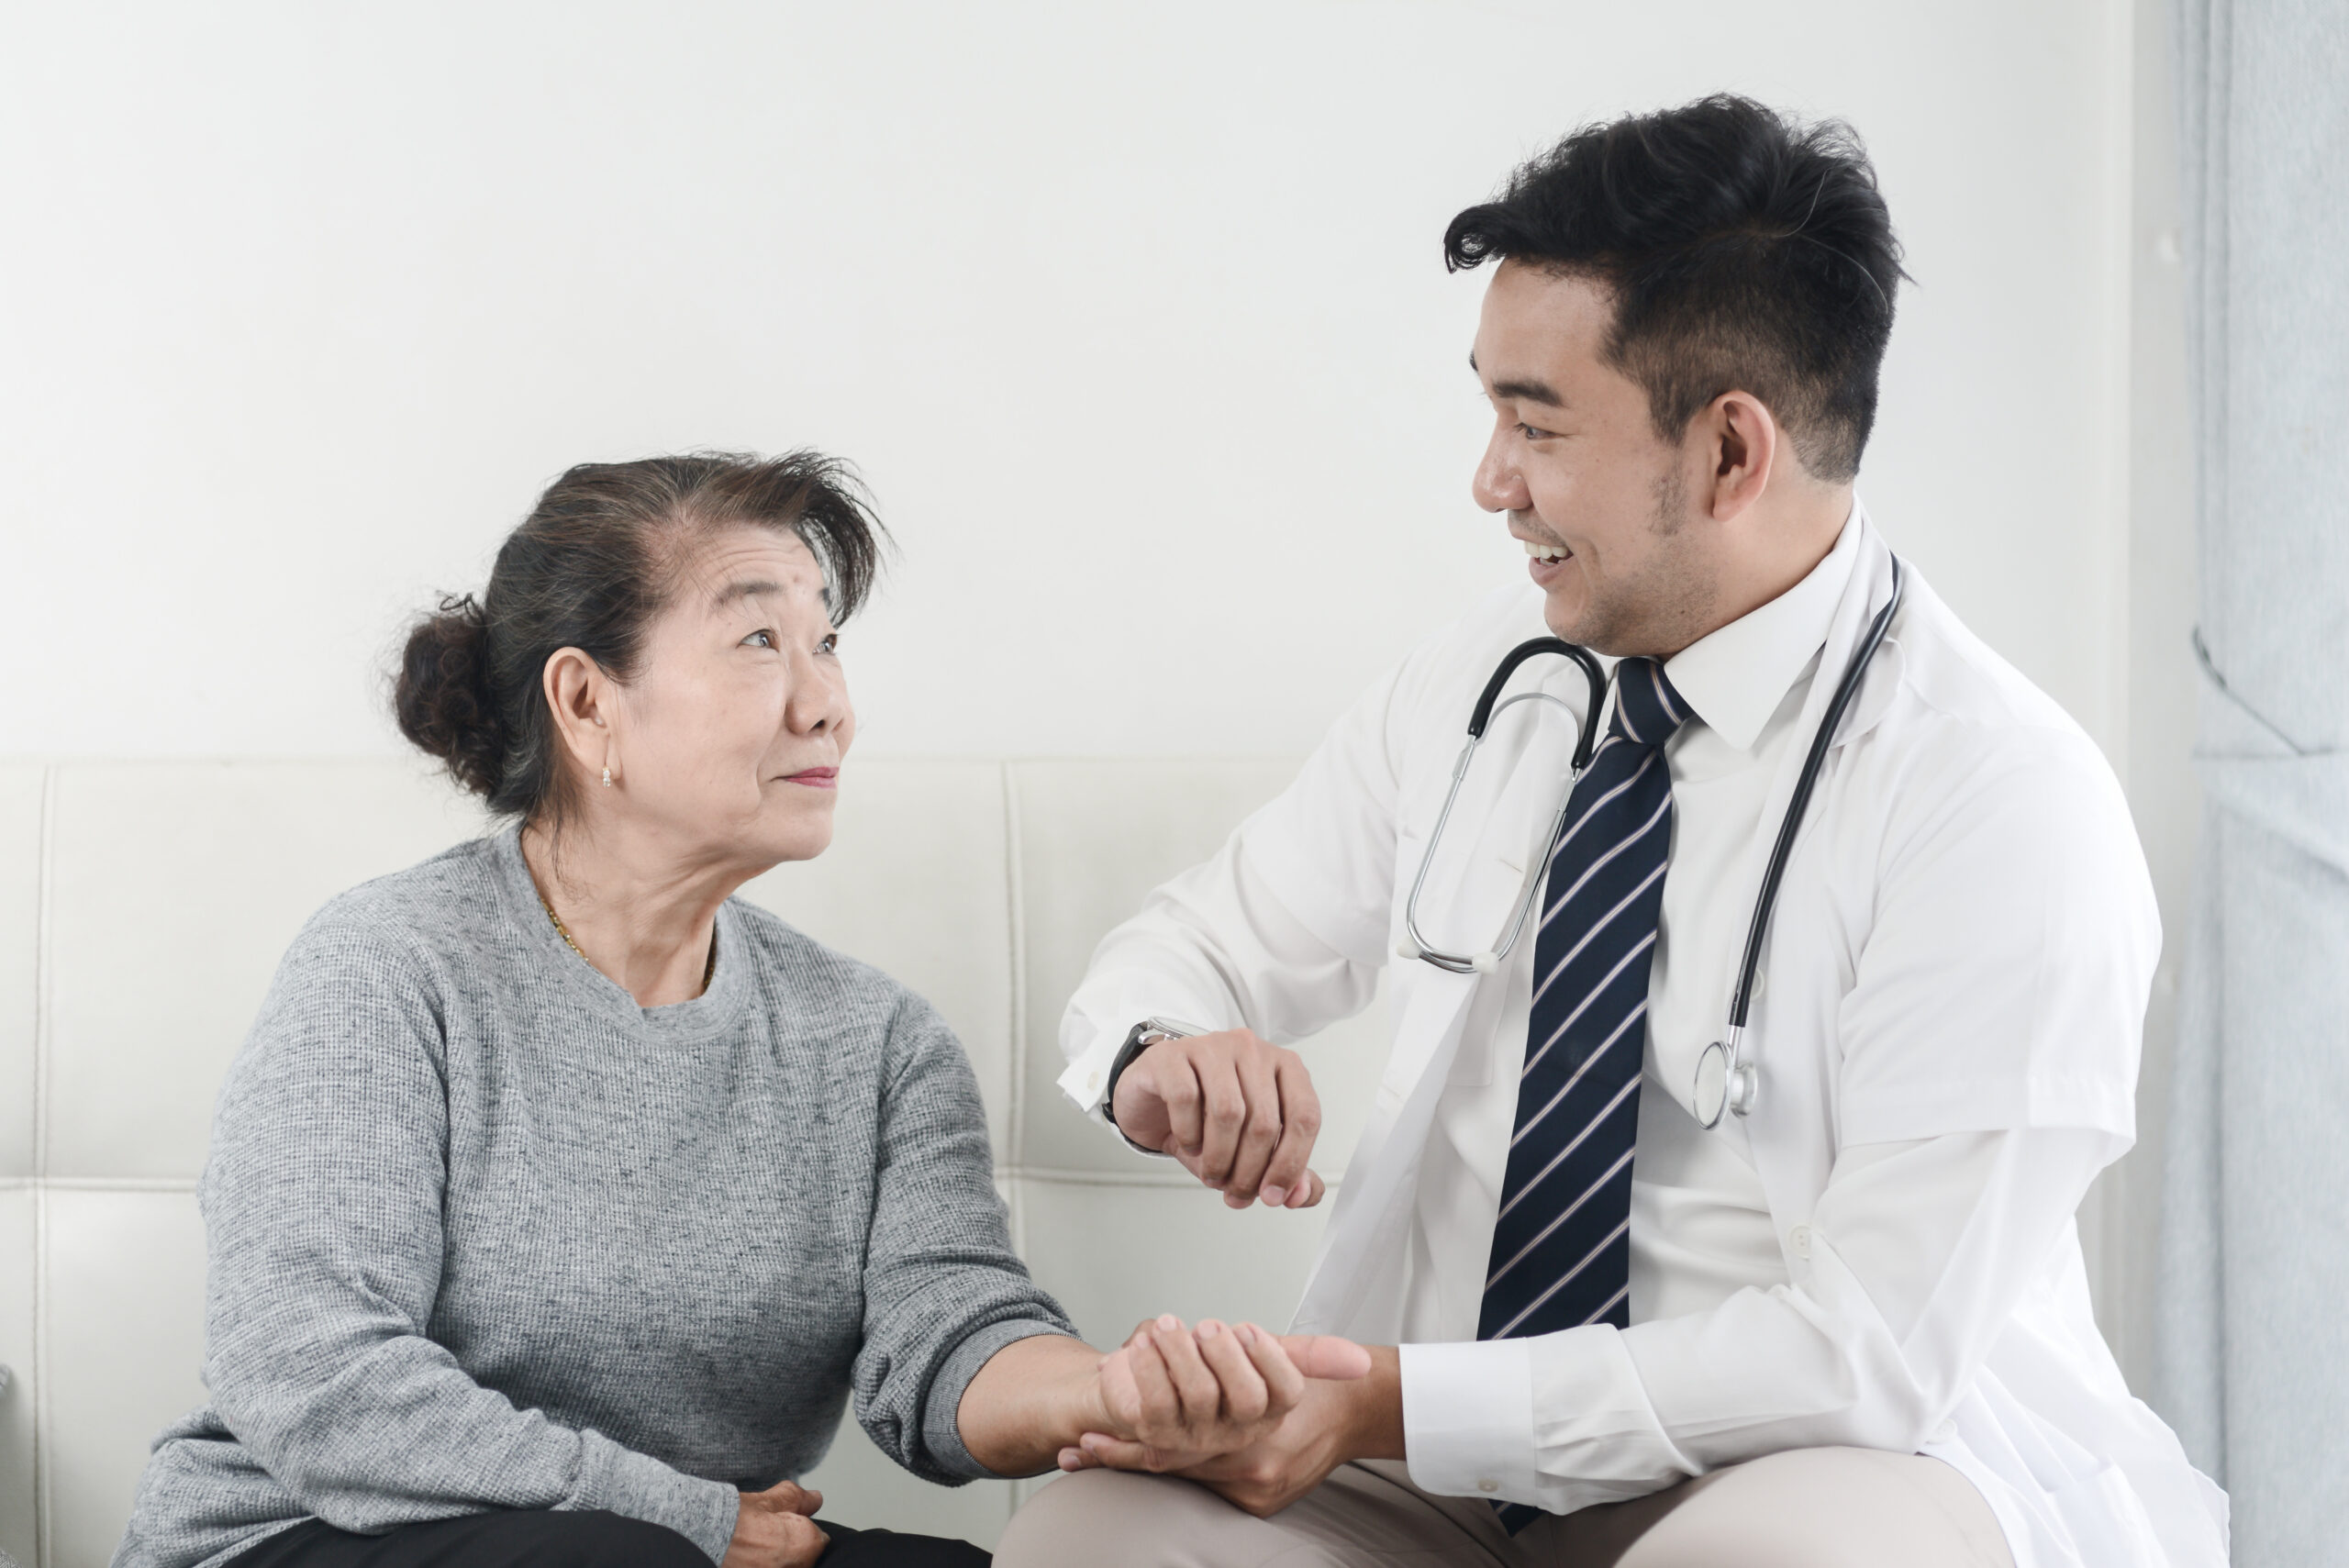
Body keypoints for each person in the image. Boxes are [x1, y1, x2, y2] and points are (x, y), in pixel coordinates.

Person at [1000, 98, 2229, 1568]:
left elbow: (1870, 1354)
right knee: (1100, 1535)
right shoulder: (1479, 686)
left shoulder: (1999, 802)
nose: (1490, 480)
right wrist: (1161, 1050)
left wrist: (1399, 1401)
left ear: (1727, 453)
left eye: (1536, 423)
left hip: (1809, 1461)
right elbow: (1193, 944)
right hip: (1423, 1457)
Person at [112, 452, 1368, 1568]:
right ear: (587, 703)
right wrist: (676, 1512)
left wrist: (1115, 1388)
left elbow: (948, 1336)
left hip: (681, 1542)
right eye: (761, 642)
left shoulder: (873, 1043)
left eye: (828, 644)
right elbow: (316, 1378)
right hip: (317, 1536)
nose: (827, 702)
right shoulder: (389, 969)